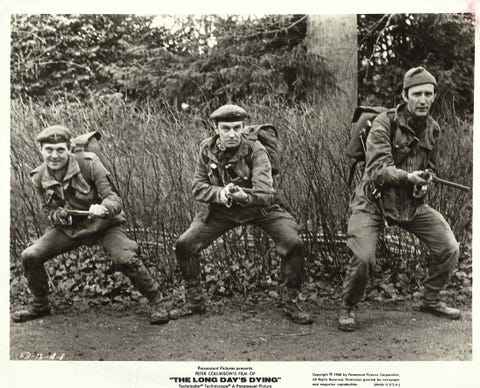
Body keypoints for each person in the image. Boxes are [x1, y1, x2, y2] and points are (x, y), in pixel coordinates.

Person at [338, 67, 461, 331]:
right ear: (405, 95)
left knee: (449, 247)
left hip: (410, 204)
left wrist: (424, 185)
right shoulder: (384, 123)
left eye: (428, 94)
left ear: (434, 96)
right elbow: (377, 172)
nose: (423, 100)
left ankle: (431, 299)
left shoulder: (433, 128)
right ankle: (348, 306)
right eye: (417, 94)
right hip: (373, 202)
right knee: (363, 258)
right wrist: (408, 178)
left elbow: (433, 168)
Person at [170, 104, 313, 324]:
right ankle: (194, 300)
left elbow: (266, 193)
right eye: (226, 128)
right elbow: (197, 187)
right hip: (221, 210)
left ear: (244, 127)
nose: (232, 134)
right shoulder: (206, 149)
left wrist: (243, 196)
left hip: (259, 209)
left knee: (292, 241)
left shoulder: (256, 150)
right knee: (184, 244)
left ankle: (291, 301)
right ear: (216, 128)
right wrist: (220, 193)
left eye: (237, 127)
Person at [11, 125, 169, 324]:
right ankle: (40, 305)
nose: (54, 156)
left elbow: (114, 198)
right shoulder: (38, 177)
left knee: (125, 258)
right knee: (30, 255)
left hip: (104, 225)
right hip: (70, 229)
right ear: (40, 150)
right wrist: (59, 215)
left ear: (69, 149)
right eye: (48, 150)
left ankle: (158, 301)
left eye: (60, 149)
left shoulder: (89, 163)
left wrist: (104, 207)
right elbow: (47, 211)